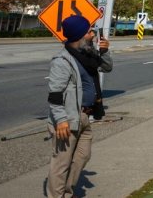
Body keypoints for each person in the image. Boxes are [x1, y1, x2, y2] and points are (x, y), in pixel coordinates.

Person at [47, 15, 112, 198]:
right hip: (68, 119)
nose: (92, 34)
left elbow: (107, 68)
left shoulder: (87, 55)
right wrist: (60, 120)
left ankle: (67, 192)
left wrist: (105, 51)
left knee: (82, 156)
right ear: (80, 35)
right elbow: (54, 95)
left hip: (84, 117)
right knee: (61, 163)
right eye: (89, 31)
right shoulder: (63, 61)